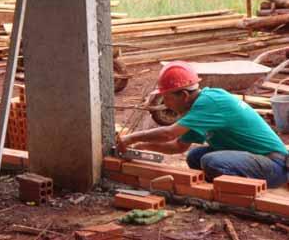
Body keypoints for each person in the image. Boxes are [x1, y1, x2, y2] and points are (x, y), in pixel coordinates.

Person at [117, 61, 288, 188]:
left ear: (183, 95)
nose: (166, 104)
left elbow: (169, 133)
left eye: (167, 98)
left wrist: (130, 138)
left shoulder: (210, 102)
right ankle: (225, 188)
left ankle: (238, 196)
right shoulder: (198, 108)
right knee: (195, 157)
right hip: (256, 160)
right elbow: (178, 146)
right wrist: (143, 146)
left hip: (274, 165)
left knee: (211, 162)